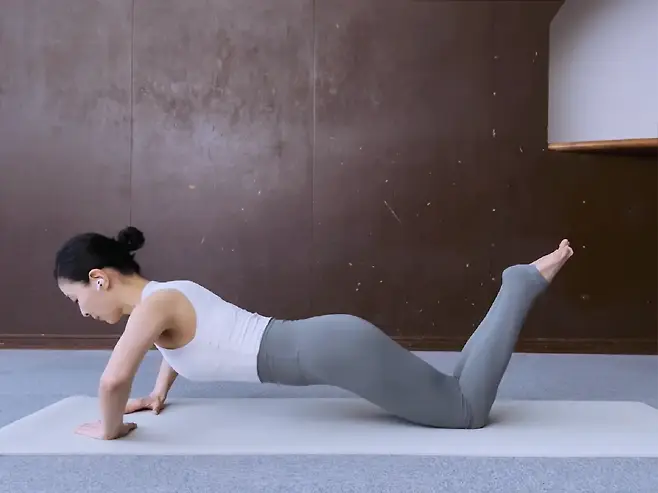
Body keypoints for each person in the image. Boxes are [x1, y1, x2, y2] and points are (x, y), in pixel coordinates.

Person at [54, 226, 573, 440]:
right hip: (331, 344)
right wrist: (157, 393)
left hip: (335, 352)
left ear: (99, 279)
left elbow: (111, 381)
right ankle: (517, 285)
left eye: (77, 299)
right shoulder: (164, 297)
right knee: (453, 392)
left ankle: (519, 285)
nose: (82, 312)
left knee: (466, 412)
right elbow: (177, 346)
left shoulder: (154, 306)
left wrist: (111, 429)